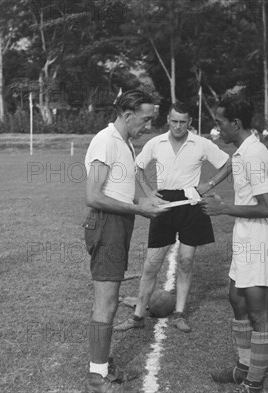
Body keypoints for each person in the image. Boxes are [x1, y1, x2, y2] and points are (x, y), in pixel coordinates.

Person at [114, 102, 231, 334]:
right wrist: (149, 192)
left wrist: (208, 184)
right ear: (168, 120)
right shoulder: (155, 143)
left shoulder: (201, 143)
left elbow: (228, 164)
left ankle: (179, 314)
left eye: (183, 122)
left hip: (191, 203)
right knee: (151, 264)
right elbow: (138, 167)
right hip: (164, 205)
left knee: (186, 261)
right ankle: (137, 317)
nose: (178, 126)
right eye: (174, 121)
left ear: (190, 122)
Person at [83, 89, 168, 392]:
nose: (148, 126)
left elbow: (122, 186)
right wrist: (138, 208)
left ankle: (103, 365)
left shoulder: (125, 143)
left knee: (109, 296)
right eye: (145, 119)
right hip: (107, 224)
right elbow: (93, 196)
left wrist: (149, 199)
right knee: (106, 300)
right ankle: (97, 376)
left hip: (118, 223)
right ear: (128, 115)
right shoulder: (105, 142)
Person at [201, 100, 268, 393]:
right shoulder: (245, 150)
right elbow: (233, 164)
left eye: (220, 123)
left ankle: (254, 382)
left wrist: (225, 209)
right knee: (236, 298)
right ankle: (243, 367)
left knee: (258, 310)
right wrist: (209, 185)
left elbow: (267, 208)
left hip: (258, 238)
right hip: (244, 235)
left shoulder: (256, 153)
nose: (217, 129)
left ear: (236, 123)